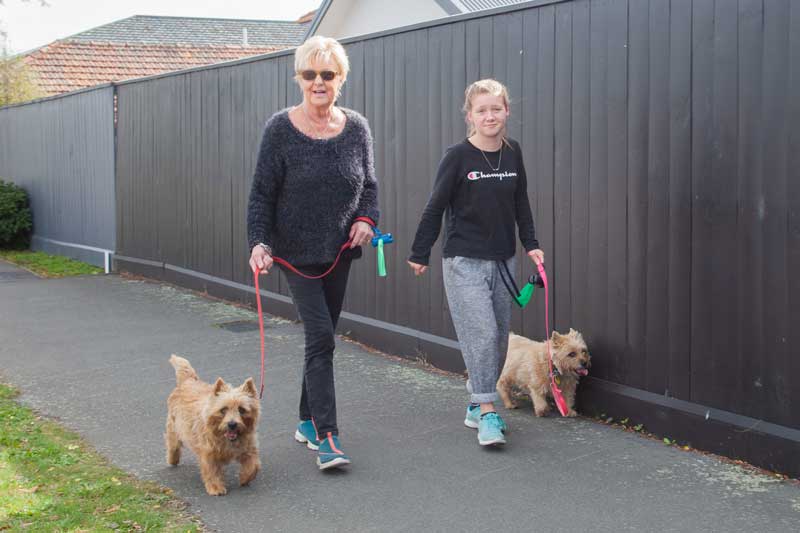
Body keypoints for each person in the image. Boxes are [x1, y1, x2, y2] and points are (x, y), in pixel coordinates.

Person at [247, 36, 379, 470]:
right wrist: (259, 243)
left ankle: (305, 421)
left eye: (327, 74)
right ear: (299, 78)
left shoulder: (357, 128)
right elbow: (262, 194)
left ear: (341, 79)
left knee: (320, 341)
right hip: (295, 254)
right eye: (310, 74)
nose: (318, 82)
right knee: (321, 336)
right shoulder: (280, 129)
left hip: (339, 252)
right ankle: (327, 436)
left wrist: (366, 220)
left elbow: (370, 189)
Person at [407, 79, 544, 447]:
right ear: (470, 115)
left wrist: (531, 244)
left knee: (499, 340)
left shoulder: (513, 152)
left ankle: (475, 400)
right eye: (481, 110)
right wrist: (420, 252)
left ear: (507, 111)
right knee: (482, 335)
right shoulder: (457, 156)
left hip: (503, 261)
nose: (489, 116)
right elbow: (435, 205)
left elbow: (521, 203)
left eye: (495, 109)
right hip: (463, 261)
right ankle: (487, 412)